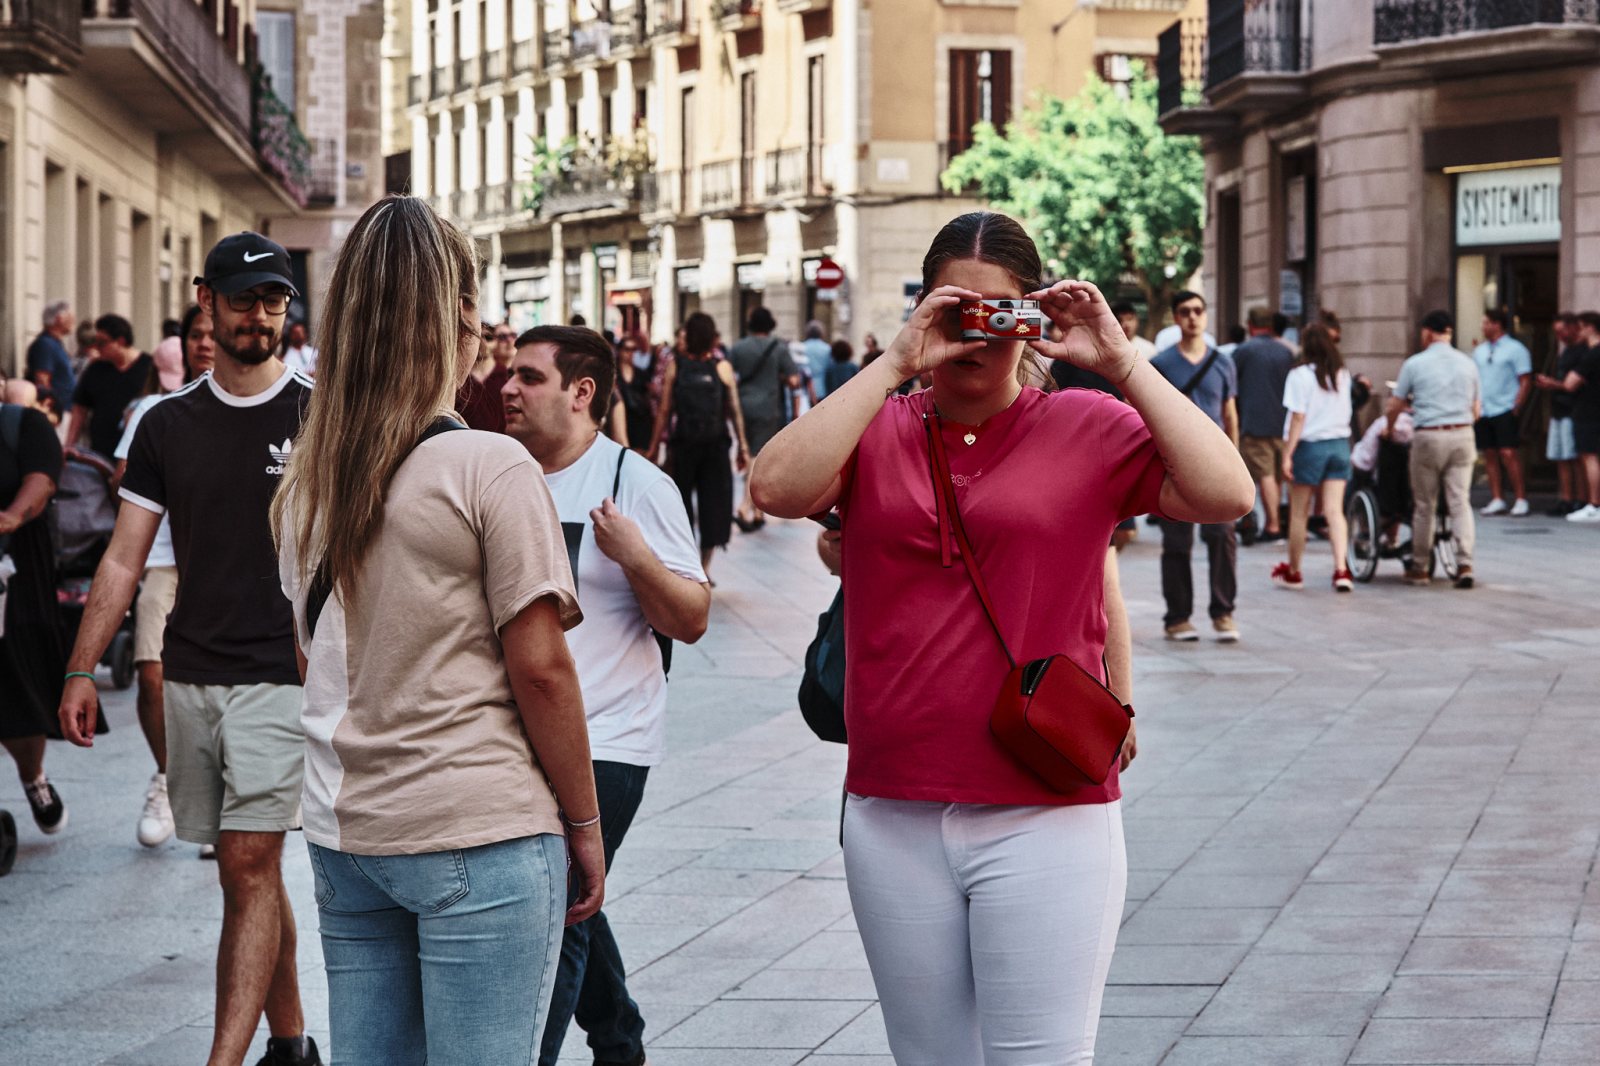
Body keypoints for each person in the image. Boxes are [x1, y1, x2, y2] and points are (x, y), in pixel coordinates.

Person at [748, 210, 1251, 1065]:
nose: (976, 332)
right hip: (892, 807)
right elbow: (774, 486)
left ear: (1035, 317)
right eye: (955, 309)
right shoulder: (879, 427)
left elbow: (1226, 492)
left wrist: (1124, 360)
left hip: (1044, 807)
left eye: (999, 312)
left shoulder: (1087, 426)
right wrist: (895, 361)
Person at [270, 196, 603, 1065]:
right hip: (476, 825)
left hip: (349, 834)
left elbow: (317, 659)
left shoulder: (305, 485)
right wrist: (584, 820)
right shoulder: (488, 464)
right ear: (457, 320)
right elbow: (542, 670)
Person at [59, 232, 323, 1066]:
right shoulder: (166, 424)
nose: (260, 315)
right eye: (244, 299)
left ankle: (223, 1060)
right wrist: (79, 666)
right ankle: (291, 1043)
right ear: (206, 302)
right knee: (250, 874)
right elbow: (124, 557)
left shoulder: (318, 413)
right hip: (194, 668)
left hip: (284, 677)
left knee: (246, 862)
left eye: (274, 300)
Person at [499, 324, 711, 1066]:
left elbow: (691, 619)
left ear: (581, 392)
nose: (508, 388)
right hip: (514, 733)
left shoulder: (635, 485)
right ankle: (619, 1037)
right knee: (573, 896)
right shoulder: (500, 474)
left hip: (609, 738)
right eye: (510, 374)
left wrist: (637, 557)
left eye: (528, 377)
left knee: (554, 915)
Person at [112, 304, 217, 850]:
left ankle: (219, 804)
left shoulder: (259, 403)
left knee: (220, 684)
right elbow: (124, 484)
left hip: (224, 565)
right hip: (163, 560)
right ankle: (165, 775)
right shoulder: (156, 409)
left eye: (209, 333)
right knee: (151, 673)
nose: (204, 342)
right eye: (194, 335)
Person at [0, 391, 82, 861]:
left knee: (19, 692)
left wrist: (11, 515)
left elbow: (42, 479)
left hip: (16, 579)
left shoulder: (22, 424)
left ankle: (33, 776)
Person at [1151, 290, 1242, 642]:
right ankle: (1177, 617)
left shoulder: (1223, 362)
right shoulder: (1161, 364)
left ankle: (1223, 613)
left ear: (1206, 316)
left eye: (1198, 311)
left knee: (1222, 536)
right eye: (1185, 312)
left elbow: (1230, 414)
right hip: (1175, 465)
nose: (1193, 317)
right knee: (1177, 541)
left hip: (1217, 463)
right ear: (1176, 318)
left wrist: (1234, 460)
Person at [647, 312, 751, 581]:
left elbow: (665, 411)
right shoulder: (721, 366)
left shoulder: (676, 366)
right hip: (715, 446)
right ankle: (704, 567)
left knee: (680, 506)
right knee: (714, 506)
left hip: (684, 447)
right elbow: (735, 411)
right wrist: (742, 446)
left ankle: (689, 563)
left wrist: (654, 447)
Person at [1384, 309, 1480, 588]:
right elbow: (1476, 409)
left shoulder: (1415, 364)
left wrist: (1389, 429)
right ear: (1449, 332)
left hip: (1429, 436)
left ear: (1427, 332)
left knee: (1425, 504)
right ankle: (1464, 563)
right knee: (1460, 501)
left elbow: (1395, 403)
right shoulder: (1468, 363)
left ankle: (1420, 566)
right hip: (1462, 434)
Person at [1272, 323, 1354, 591]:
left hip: (1309, 447)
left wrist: (1287, 455)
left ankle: (1294, 572)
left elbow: (1297, 417)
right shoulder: (1342, 374)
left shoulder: (1299, 375)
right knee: (1334, 511)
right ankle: (1341, 569)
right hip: (1340, 445)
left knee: (1299, 513)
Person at [728, 307, 801, 531]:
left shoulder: (738, 348)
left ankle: (758, 513)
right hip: (768, 409)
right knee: (756, 457)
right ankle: (744, 506)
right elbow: (794, 381)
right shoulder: (778, 348)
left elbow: (729, 376)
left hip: (742, 407)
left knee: (748, 452)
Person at [1232, 306, 1297, 545]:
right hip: (1284, 422)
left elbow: (1232, 386)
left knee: (1266, 475)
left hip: (1255, 422)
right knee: (1277, 474)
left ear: (1250, 325)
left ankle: (1273, 526)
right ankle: (1277, 520)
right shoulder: (1287, 352)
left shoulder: (1243, 351)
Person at [66, 314, 153, 459]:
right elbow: (79, 410)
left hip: (138, 453)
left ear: (120, 341)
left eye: (102, 343)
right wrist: (69, 445)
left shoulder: (148, 367)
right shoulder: (95, 369)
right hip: (101, 452)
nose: (96, 348)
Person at [1472, 309, 1532, 516]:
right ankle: (1497, 498)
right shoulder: (1479, 351)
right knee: (1489, 454)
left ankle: (1520, 498)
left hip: (1504, 407)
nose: (1483, 326)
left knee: (1508, 453)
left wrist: (1517, 406)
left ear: (1497, 324)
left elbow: (1525, 380)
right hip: (1485, 409)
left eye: (1486, 322)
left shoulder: (1516, 349)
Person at [1535, 311, 1585, 515]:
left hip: (1572, 410)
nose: (1560, 336)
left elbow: (1573, 385)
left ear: (1574, 327)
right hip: (1559, 409)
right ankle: (1565, 497)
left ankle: (1581, 499)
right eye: (1556, 332)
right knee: (1561, 457)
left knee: (1575, 458)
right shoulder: (1565, 351)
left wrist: (1552, 384)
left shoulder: (1583, 351)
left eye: (1562, 331)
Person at [1560, 310, 1600, 523]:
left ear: (1591, 328)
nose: (1579, 332)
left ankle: (1594, 504)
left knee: (1589, 456)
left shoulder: (1592, 354)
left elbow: (1569, 384)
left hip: (1588, 410)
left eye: (1582, 327)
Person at [26, 300, 76, 419]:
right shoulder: (45, 344)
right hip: (57, 413)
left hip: (64, 410)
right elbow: (42, 380)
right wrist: (52, 411)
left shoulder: (55, 344)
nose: (73, 320)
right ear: (59, 318)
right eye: (70, 316)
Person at [616, 332, 660, 454]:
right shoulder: (614, 375)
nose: (630, 353)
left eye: (634, 349)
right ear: (620, 351)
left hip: (640, 425)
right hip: (621, 422)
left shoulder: (642, 374)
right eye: (627, 349)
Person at [801, 319, 832, 400]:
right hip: (823, 387)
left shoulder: (802, 347)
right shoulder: (827, 348)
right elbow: (830, 367)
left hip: (805, 389)